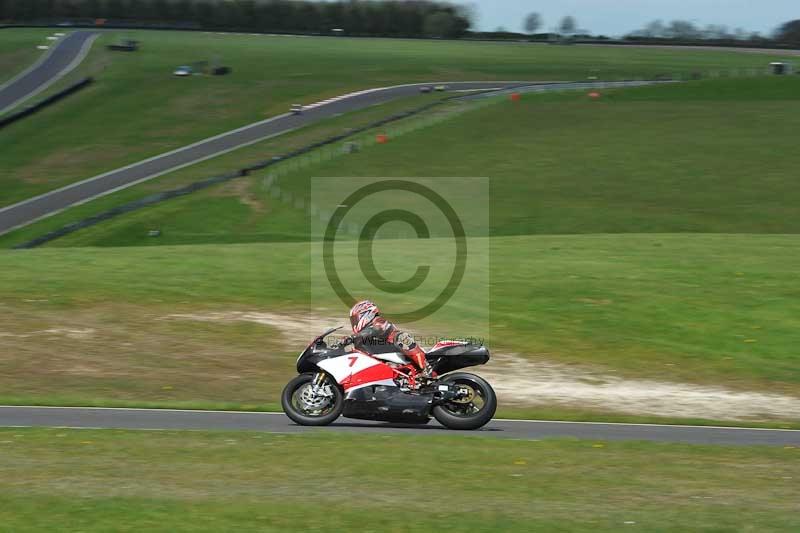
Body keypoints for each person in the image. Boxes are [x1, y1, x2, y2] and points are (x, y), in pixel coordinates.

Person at [347, 300, 433, 385]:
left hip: (397, 350)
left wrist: (352, 337)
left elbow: (374, 330)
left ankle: (426, 368)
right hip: (383, 358)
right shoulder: (361, 337)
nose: (354, 322)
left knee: (401, 337)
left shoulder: (379, 321)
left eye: (355, 319)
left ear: (366, 314)